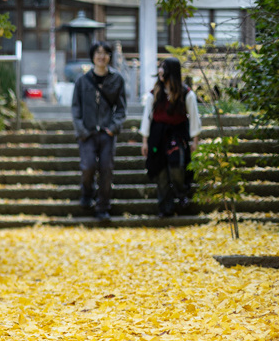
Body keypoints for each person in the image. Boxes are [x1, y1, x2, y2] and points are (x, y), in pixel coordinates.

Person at [71, 40, 128, 221]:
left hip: (107, 133)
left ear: (109, 56)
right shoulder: (82, 81)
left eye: (105, 53)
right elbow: (75, 108)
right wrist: (81, 130)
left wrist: (113, 128)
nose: (101, 56)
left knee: (106, 169)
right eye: (98, 53)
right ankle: (87, 194)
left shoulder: (117, 79)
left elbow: (121, 108)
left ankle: (103, 206)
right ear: (92, 56)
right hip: (87, 133)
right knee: (87, 166)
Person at [139, 57, 202, 218]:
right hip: (157, 137)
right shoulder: (155, 94)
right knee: (160, 172)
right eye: (160, 67)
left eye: (164, 68)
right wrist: (145, 141)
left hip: (177, 135)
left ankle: (181, 194)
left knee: (176, 167)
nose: (160, 71)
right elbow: (147, 117)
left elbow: (194, 117)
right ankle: (165, 207)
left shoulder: (186, 94)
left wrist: (195, 140)